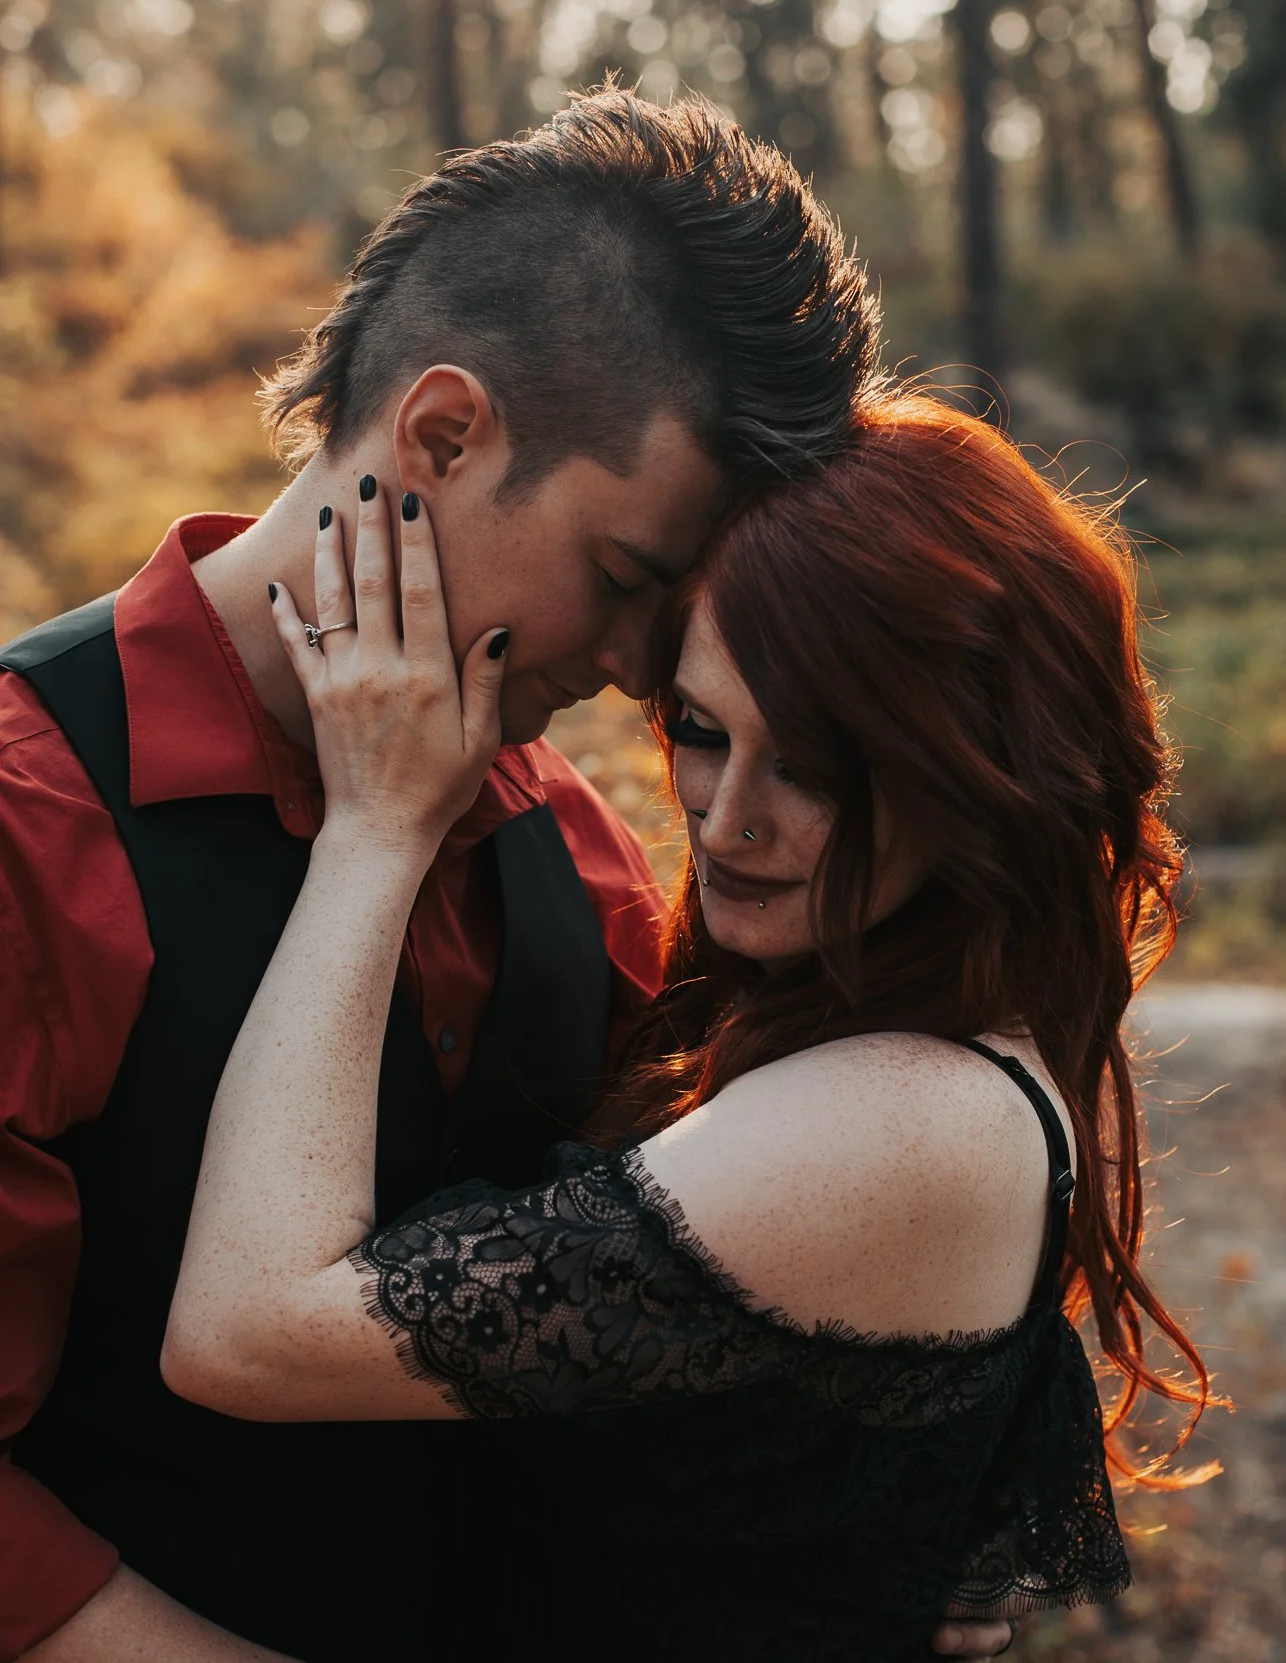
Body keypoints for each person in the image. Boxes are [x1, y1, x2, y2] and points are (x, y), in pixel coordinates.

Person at [0, 90, 1012, 1662]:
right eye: (624, 579)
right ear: (444, 435)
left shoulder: (581, 855)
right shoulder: (25, 817)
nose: (630, 670)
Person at [162, 393, 1213, 1662]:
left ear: (977, 773)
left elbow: (242, 1335)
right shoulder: (941, 1039)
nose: (724, 823)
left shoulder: (909, 1119)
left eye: (818, 768)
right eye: (705, 733)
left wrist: (378, 829)